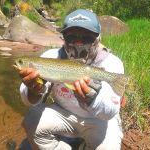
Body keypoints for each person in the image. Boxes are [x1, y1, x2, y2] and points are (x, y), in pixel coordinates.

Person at [18, 9, 125, 150]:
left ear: (98, 37)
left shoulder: (111, 63)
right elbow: (29, 101)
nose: (79, 43)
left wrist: (93, 98)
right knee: (31, 119)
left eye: (87, 37)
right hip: (63, 115)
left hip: (98, 120)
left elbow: (111, 111)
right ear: (63, 37)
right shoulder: (50, 56)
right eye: (71, 37)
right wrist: (33, 91)